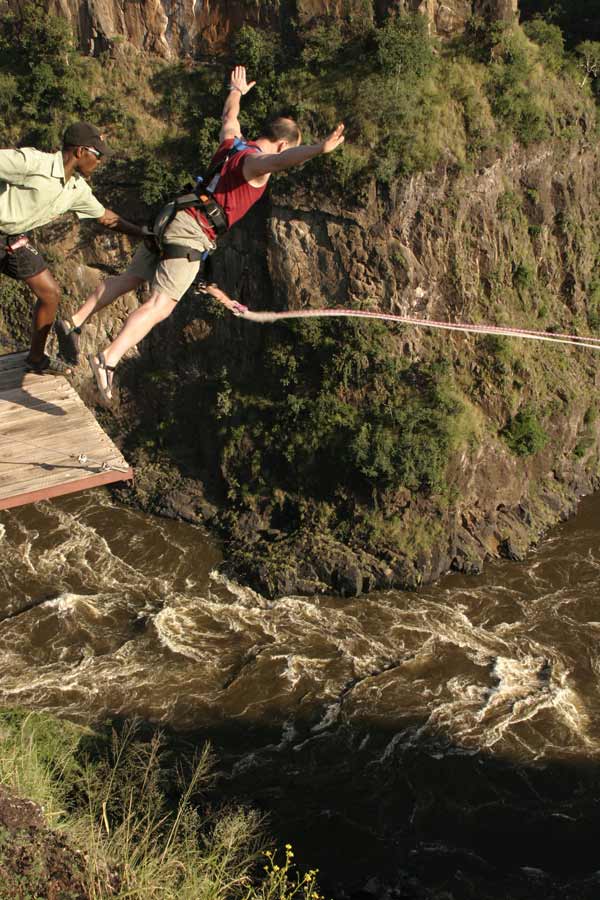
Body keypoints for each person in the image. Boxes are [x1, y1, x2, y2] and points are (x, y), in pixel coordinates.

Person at [66, 66, 344, 402]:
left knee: (131, 278)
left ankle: (74, 321)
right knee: (160, 304)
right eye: (285, 150)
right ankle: (108, 358)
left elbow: (229, 114)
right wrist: (317, 149)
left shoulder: (233, 141)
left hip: (172, 216)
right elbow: (280, 162)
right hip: (192, 231)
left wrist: (236, 90)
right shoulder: (256, 163)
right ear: (281, 144)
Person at [0, 122, 148, 375]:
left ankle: (36, 359)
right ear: (80, 152)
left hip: (12, 239)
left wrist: (143, 234)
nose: (100, 162)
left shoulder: (76, 189)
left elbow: (106, 217)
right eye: (97, 155)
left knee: (50, 294)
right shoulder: (33, 163)